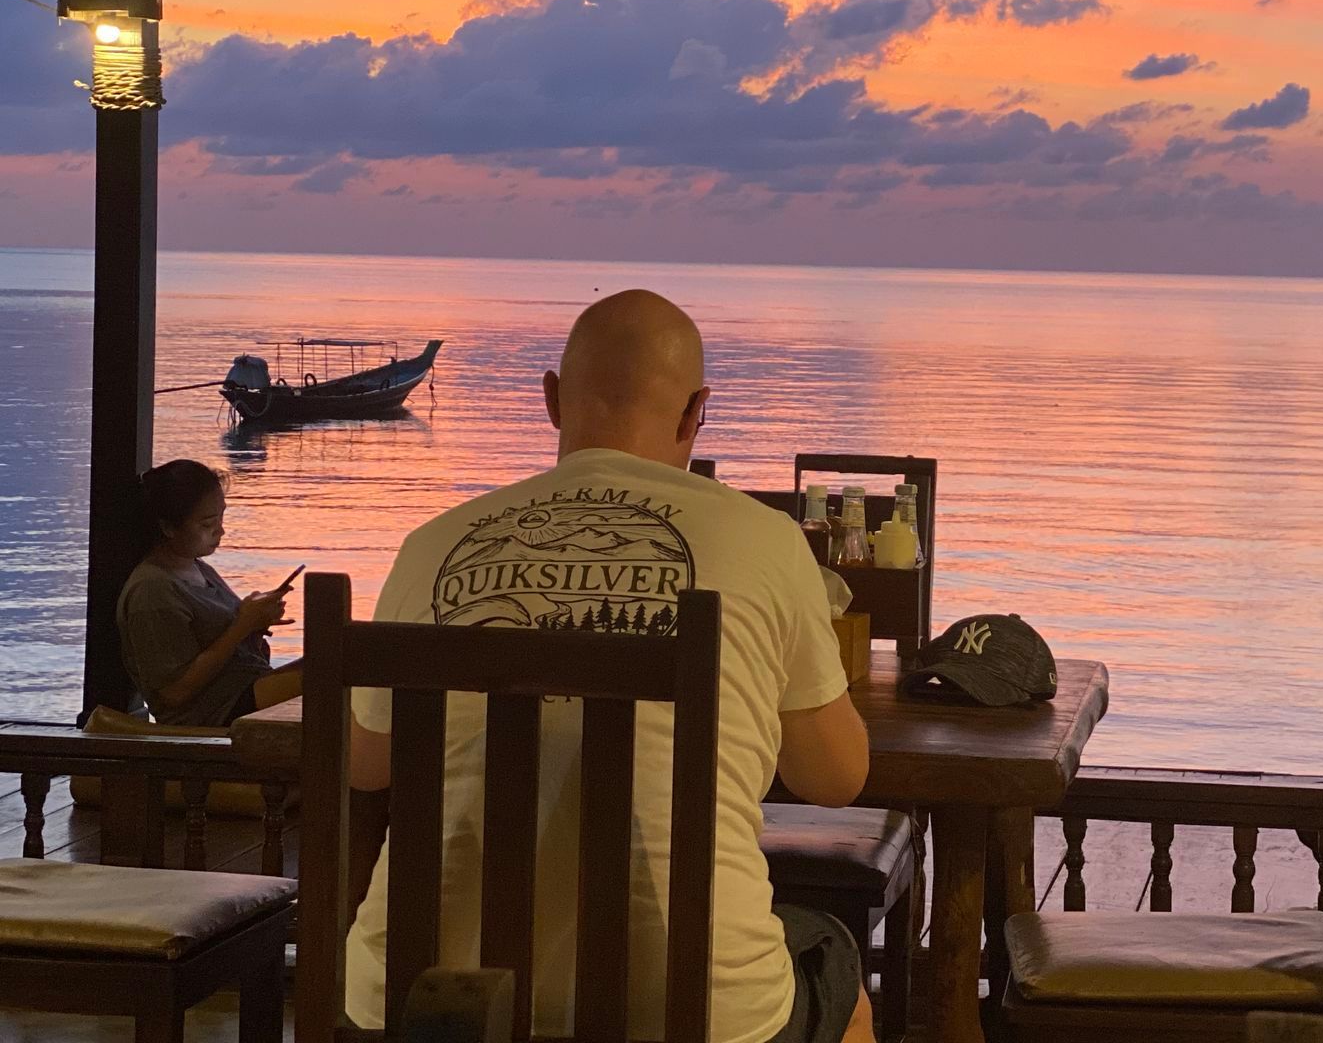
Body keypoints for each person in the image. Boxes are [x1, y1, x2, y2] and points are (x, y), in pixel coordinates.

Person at [344, 290, 875, 1043]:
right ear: (697, 413)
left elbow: (367, 765)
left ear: (552, 400)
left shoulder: (432, 545)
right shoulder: (765, 542)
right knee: (837, 969)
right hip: (690, 1012)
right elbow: (836, 779)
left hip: (424, 1002)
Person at [115, 460, 303, 727]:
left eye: (221, 518)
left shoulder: (198, 568)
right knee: (330, 672)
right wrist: (242, 625)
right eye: (207, 524)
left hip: (242, 693)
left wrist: (255, 624)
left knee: (334, 660)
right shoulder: (152, 590)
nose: (221, 531)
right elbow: (173, 693)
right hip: (213, 714)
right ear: (168, 528)